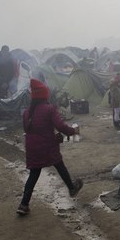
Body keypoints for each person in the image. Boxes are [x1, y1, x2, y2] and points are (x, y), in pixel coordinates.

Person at [17, 79, 83, 216]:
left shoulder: (27, 112)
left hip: (32, 146)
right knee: (59, 165)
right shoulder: (50, 109)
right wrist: (73, 131)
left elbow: (26, 129)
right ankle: (71, 187)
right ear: (45, 96)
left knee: (33, 175)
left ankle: (23, 204)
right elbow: (61, 126)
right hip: (47, 145)